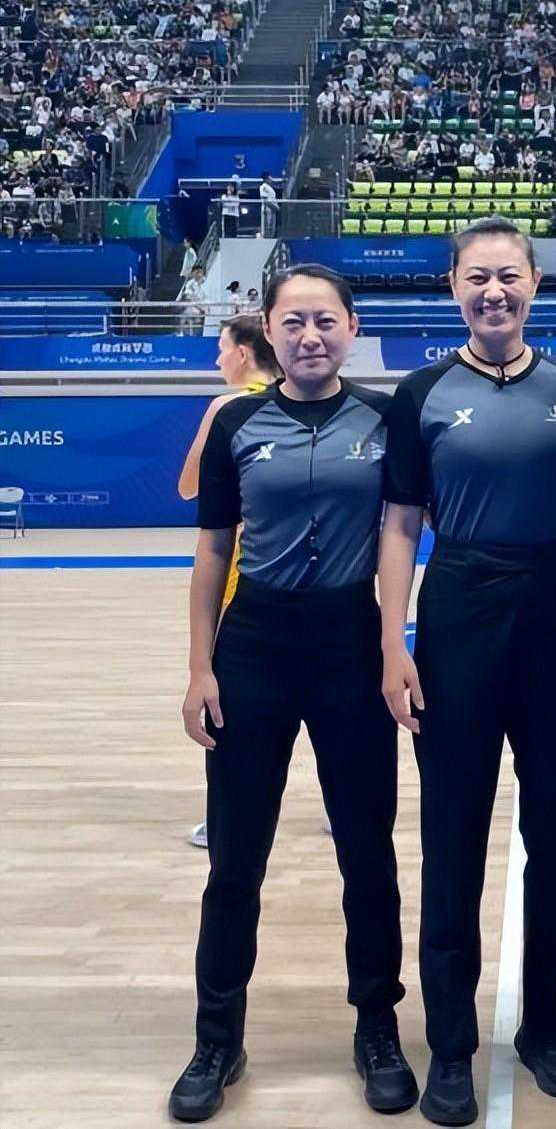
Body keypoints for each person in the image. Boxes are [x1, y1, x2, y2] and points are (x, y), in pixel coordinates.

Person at [169, 265, 418, 1123]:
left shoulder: (387, 419)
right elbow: (212, 551)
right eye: (293, 322)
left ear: (352, 328)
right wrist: (200, 668)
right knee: (236, 857)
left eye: (326, 320)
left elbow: (410, 530)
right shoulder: (237, 422)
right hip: (256, 646)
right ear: (268, 331)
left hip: (349, 642)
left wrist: (393, 645)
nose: (310, 336)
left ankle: (378, 1027)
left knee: (367, 851)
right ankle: (216, 1038)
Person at [378, 216, 556, 1126]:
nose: (494, 291)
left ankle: (546, 1029)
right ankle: (450, 1047)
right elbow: (400, 522)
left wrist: (548, 545)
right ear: (454, 288)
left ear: (535, 283)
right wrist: (392, 642)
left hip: (547, 610)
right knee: (454, 838)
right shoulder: (421, 392)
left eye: (509, 275)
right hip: (457, 607)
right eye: (477, 277)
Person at [177, 313, 281, 850]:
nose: (218, 360)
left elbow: (188, 487)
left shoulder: (227, 407)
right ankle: (343, 810)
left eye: (221, 349)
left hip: (246, 571)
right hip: (312, 572)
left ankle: (224, 818)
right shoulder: (304, 399)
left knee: (234, 700)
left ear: (243, 353)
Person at [179, 265, 208, 337]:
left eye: (201, 272)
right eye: (197, 272)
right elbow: (188, 295)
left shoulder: (203, 283)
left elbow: (203, 296)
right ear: (193, 273)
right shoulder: (191, 283)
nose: (199, 274)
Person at [258, 173, 278, 239]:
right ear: (265, 179)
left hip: (273, 209)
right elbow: (265, 199)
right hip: (267, 209)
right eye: (269, 178)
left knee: (272, 226)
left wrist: (276, 207)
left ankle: (271, 237)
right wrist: (272, 206)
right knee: (267, 225)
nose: (271, 180)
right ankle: (266, 238)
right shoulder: (263, 186)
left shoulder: (271, 188)